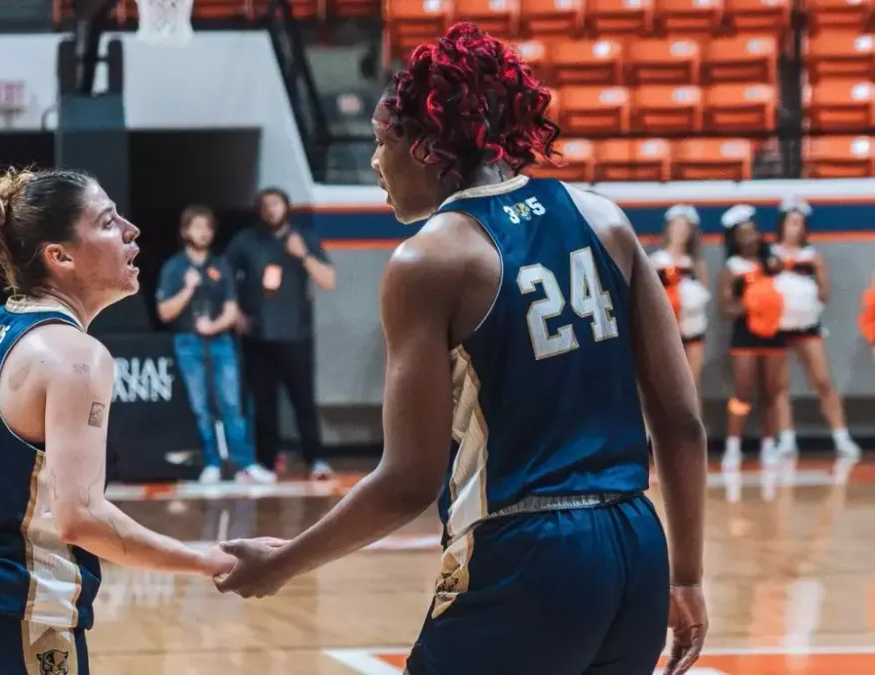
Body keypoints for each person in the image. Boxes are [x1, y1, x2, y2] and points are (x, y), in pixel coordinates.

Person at [215, 22, 707, 675]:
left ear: (422, 148)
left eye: (379, 142)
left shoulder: (430, 258)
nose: (373, 163)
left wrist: (284, 560)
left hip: (527, 550)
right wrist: (688, 574)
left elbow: (407, 481)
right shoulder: (604, 219)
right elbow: (681, 420)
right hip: (637, 545)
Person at [0, 168, 235, 675]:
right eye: (110, 221)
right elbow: (81, 517)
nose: (132, 230)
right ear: (61, 255)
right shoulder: (77, 357)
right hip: (18, 626)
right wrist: (206, 559)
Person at [156, 205, 276, 485]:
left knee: (232, 404)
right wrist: (187, 289)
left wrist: (216, 325)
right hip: (188, 343)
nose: (204, 233)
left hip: (220, 342)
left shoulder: (219, 265)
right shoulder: (175, 268)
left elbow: (232, 308)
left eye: (208, 227)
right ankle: (212, 462)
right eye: (197, 227)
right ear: (186, 231)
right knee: (201, 406)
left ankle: (245, 463)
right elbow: (164, 312)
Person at [225, 187, 337, 479]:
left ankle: (316, 459)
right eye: (265, 205)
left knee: (303, 400)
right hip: (258, 335)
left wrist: (303, 256)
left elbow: (329, 280)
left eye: (276, 204)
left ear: (286, 207)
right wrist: (234, 311)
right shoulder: (246, 241)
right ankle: (266, 462)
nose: (271, 210)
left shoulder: (302, 239)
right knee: (263, 403)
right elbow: (222, 275)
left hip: (295, 334)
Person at [769, 196, 860, 459]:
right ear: (782, 224)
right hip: (779, 329)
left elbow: (824, 293)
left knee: (823, 381)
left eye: (799, 223)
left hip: (808, 327)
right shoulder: (770, 254)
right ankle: (785, 439)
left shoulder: (813, 256)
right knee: (779, 385)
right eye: (791, 222)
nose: (795, 227)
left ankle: (841, 437)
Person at [718, 205, 788, 471]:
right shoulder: (731, 270)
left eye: (753, 232)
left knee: (771, 391)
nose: (750, 238)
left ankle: (769, 444)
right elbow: (726, 310)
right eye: (743, 234)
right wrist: (753, 300)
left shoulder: (772, 264)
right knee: (742, 392)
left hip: (774, 333)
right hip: (745, 334)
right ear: (735, 239)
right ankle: (733, 445)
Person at [651, 205, 710, 392]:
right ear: (668, 228)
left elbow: (704, 294)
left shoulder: (696, 264)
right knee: (663, 385)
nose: (681, 232)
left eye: (685, 228)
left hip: (693, 329)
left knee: (692, 386)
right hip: (664, 331)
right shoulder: (655, 261)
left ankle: (693, 421)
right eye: (676, 226)